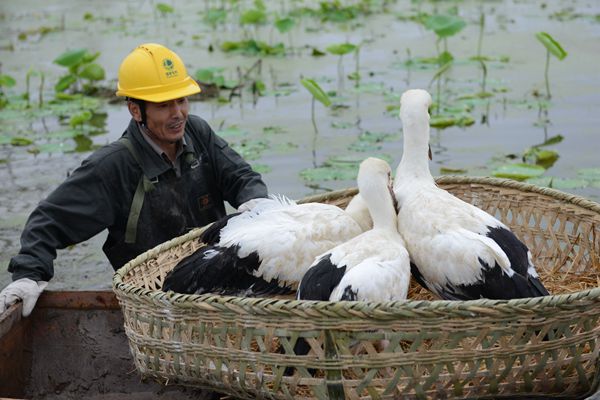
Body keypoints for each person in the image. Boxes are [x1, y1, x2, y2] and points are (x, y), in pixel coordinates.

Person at [0, 43, 268, 317]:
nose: (178, 114)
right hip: (153, 302)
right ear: (135, 110)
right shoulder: (113, 166)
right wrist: (29, 275)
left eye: (182, 100)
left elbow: (242, 177)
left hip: (215, 286)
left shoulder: (197, 132)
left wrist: (256, 204)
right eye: (164, 105)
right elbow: (47, 222)